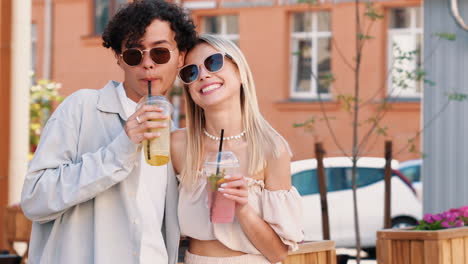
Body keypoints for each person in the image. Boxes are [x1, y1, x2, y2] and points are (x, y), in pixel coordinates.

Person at [20, 1, 197, 263]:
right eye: (134, 54)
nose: (147, 64)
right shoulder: (82, 108)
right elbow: (35, 199)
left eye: (159, 53)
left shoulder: (176, 138)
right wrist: (120, 149)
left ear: (180, 56)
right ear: (118, 57)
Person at [171, 34, 304, 264]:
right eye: (191, 72)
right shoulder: (178, 146)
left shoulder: (270, 149)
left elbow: (279, 253)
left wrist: (243, 209)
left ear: (240, 71)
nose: (203, 74)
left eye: (213, 62)